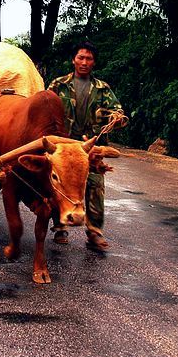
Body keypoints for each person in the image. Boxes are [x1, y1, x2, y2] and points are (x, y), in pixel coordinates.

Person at [48, 41, 126, 252]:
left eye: (89, 58)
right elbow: (45, 109)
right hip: (63, 147)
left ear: (94, 63)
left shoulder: (103, 89)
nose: (84, 62)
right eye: (80, 57)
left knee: (95, 184)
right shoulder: (58, 85)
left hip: (89, 148)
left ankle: (94, 232)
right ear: (73, 60)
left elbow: (116, 110)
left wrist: (118, 118)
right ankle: (60, 226)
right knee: (61, 185)